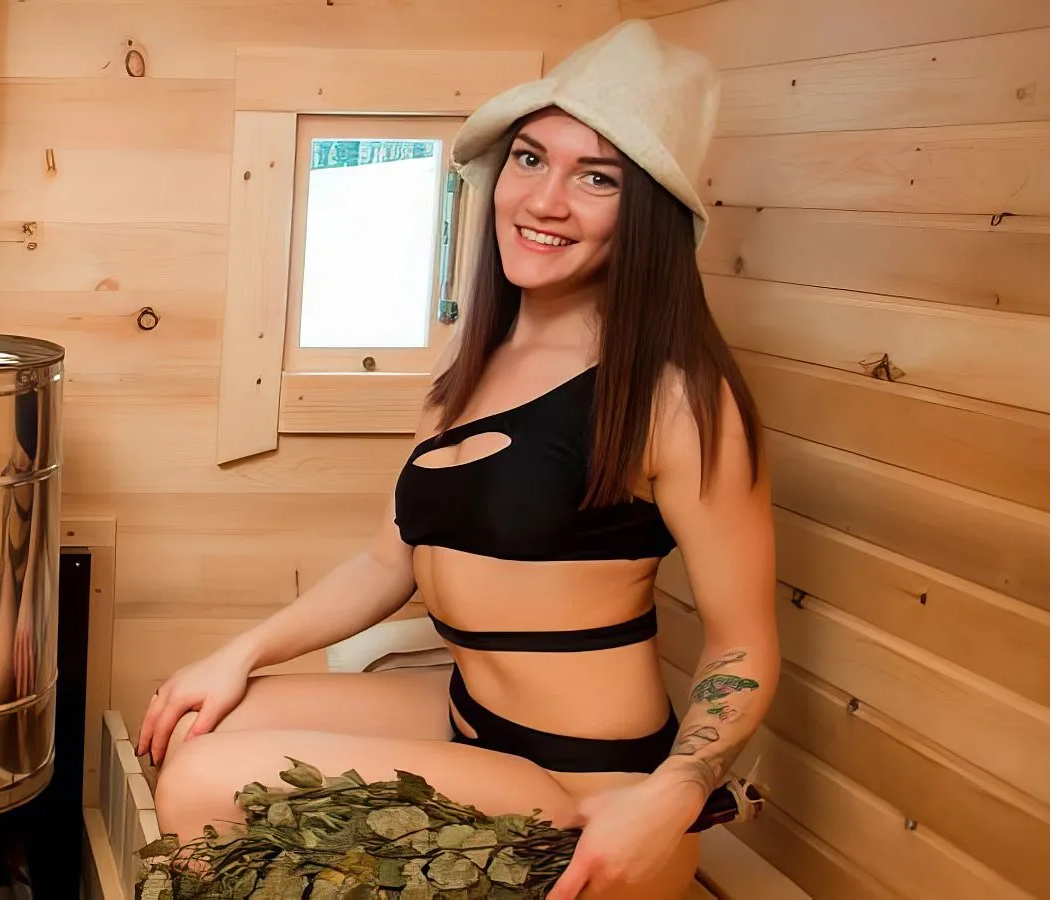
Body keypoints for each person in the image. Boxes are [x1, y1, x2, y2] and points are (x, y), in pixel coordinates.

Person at [136, 21, 774, 900]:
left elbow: (743, 643)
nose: (545, 200)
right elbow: (386, 560)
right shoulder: (469, 360)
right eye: (530, 159)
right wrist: (237, 654)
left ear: (649, 217)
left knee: (202, 784)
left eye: (596, 178)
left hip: (586, 786)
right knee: (198, 723)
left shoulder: (677, 397)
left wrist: (675, 791)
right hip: (470, 716)